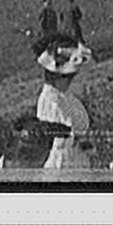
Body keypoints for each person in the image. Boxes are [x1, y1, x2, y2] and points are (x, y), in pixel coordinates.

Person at [33, 34, 93, 168]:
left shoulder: (65, 98)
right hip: (62, 162)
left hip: (75, 158)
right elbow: (60, 136)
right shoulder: (51, 101)